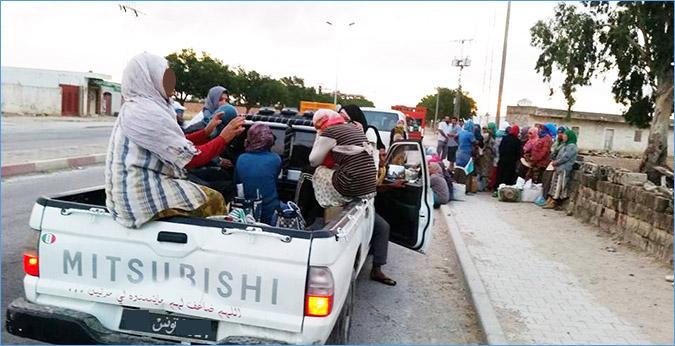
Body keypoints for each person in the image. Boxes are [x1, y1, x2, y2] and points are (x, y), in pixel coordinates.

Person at [105, 52, 245, 229]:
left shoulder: (140, 107)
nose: (171, 82)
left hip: (132, 191)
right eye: (165, 77)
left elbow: (176, 143)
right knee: (215, 199)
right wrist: (224, 138)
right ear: (150, 79)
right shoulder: (147, 113)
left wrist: (206, 132)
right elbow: (190, 159)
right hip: (139, 195)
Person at [309, 109, 377, 210]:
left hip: (350, 185)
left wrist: (319, 134)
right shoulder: (354, 128)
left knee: (320, 171)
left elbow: (313, 161)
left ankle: (331, 204)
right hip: (368, 186)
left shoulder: (330, 131)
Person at [371, 148, 405, 286]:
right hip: (364, 204)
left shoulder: (383, 168)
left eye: (385, 155)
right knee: (383, 227)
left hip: (373, 202)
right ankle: (376, 269)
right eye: (380, 155)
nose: (383, 157)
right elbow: (373, 187)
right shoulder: (370, 168)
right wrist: (392, 185)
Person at [234, 123, 281, 224]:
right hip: (271, 213)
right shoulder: (276, 159)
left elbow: (238, 185)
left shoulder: (241, 159)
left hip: (247, 213)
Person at [543, 129, 578, 209]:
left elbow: (565, 157)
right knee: (554, 184)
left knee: (559, 185)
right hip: (559, 168)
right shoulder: (565, 145)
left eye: (565, 135)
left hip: (564, 169)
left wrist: (556, 163)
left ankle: (555, 201)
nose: (563, 136)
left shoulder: (572, 146)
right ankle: (551, 200)